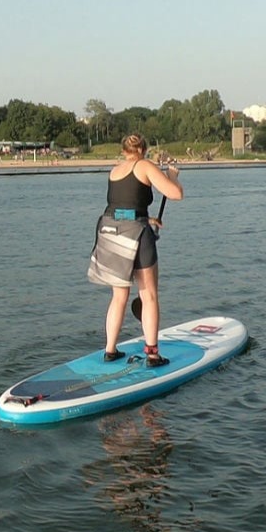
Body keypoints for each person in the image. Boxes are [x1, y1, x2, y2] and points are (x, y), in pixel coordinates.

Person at [88, 134, 183, 367]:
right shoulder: (145, 165)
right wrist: (172, 176)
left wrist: (147, 217)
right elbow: (175, 194)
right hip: (136, 235)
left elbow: (124, 206)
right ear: (144, 149)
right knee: (148, 295)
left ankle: (110, 350)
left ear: (123, 151)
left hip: (110, 231)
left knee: (119, 295)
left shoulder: (115, 170)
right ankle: (152, 354)